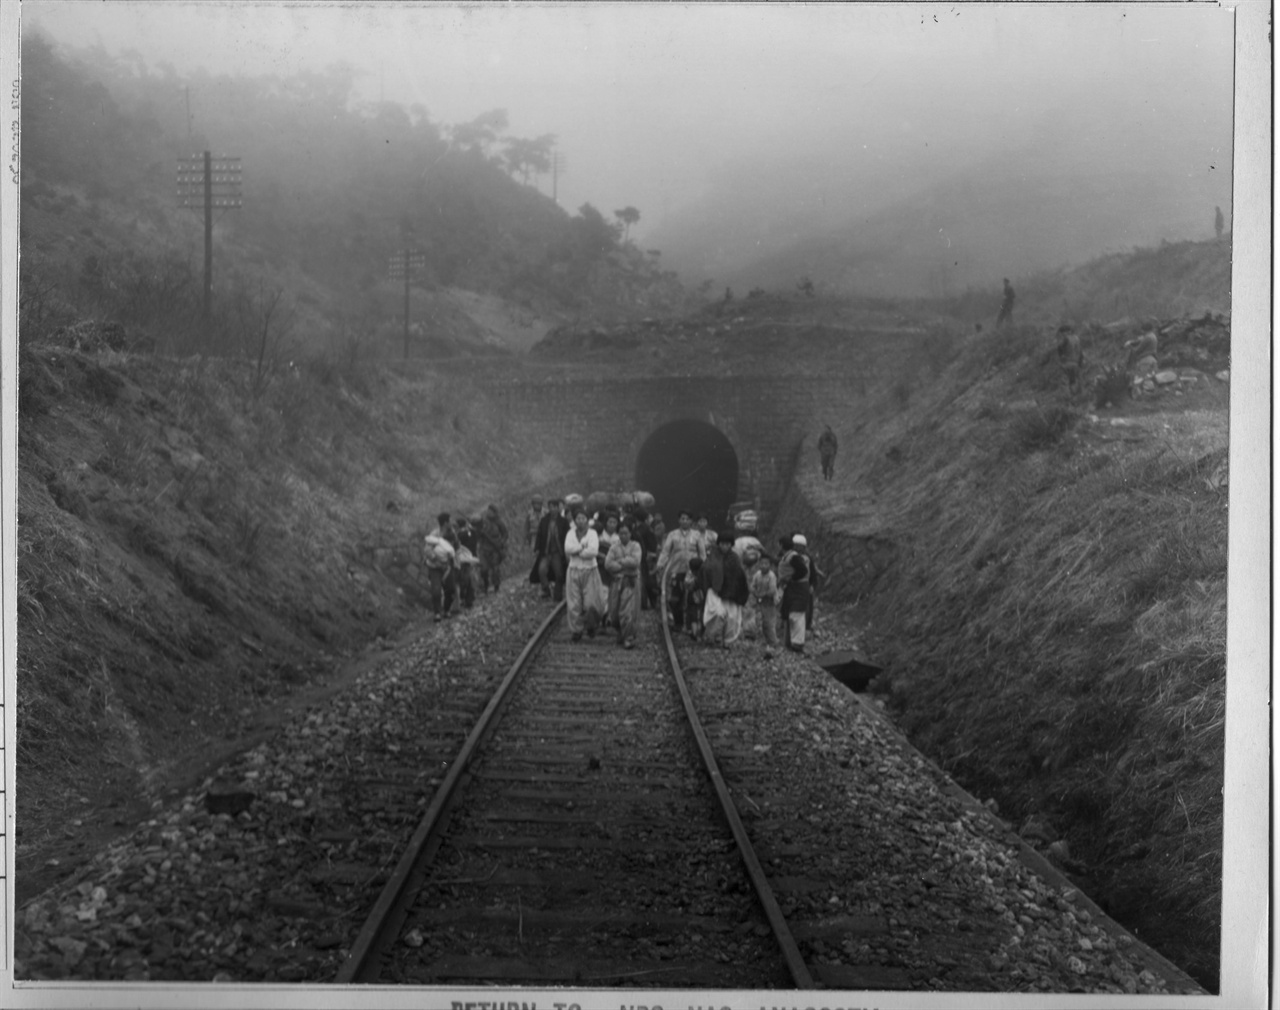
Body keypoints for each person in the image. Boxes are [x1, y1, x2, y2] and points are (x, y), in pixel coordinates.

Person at [656, 509, 706, 631]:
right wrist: (660, 565)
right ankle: (678, 623)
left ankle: (690, 625)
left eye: (687, 519)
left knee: (691, 598)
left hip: (692, 572)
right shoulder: (672, 535)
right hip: (676, 570)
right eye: (682, 518)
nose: (684, 521)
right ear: (679, 520)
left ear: (691, 521)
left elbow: (702, 553)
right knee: (675, 598)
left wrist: (703, 568)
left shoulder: (697, 535)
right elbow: (666, 551)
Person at [702, 531, 751, 648]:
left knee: (732, 617)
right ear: (719, 544)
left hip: (731, 594)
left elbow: (740, 576)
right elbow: (705, 572)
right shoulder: (712, 557)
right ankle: (712, 637)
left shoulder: (734, 558)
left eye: (728, 544)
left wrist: (740, 592)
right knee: (717, 614)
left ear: (731, 545)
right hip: (715, 591)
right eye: (723, 544)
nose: (725, 547)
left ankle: (728, 641)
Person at [564, 507, 605, 642]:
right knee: (574, 603)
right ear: (574, 520)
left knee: (590, 603)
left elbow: (593, 551)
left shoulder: (592, 533)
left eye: (583, 518)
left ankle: (591, 625)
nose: (580, 521)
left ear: (587, 519)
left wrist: (577, 552)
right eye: (578, 518)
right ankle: (576, 630)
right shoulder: (570, 533)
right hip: (574, 569)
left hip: (590, 570)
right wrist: (582, 548)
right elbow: (567, 548)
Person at [605, 520, 643, 649]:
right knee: (614, 611)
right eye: (621, 533)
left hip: (630, 582)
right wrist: (624, 565)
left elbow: (635, 562)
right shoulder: (614, 547)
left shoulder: (636, 546)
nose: (623, 536)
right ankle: (620, 631)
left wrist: (619, 562)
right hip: (616, 582)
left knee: (628, 611)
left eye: (626, 533)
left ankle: (629, 637)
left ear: (630, 534)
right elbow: (608, 564)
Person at [778, 533, 813, 653]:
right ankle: (790, 641)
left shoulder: (795, 557)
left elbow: (803, 571)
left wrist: (791, 578)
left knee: (796, 614)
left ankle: (797, 643)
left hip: (799, 588)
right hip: (791, 588)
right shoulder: (788, 556)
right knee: (789, 614)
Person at [530, 498, 570, 601]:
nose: (552, 509)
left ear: (558, 508)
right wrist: (537, 548)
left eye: (554, 507)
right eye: (550, 507)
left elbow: (568, 536)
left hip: (558, 552)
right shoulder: (544, 521)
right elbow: (539, 535)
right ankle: (546, 589)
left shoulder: (563, 522)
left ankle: (558, 595)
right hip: (546, 552)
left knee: (559, 574)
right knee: (541, 570)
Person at [423, 512, 459, 622]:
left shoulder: (452, 532)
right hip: (434, 567)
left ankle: (446, 610)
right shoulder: (434, 535)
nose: (451, 523)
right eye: (449, 521)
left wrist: (455, 541)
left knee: (451, 589)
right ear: (445, 523)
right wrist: (436, 559)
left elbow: (456, 547)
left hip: (448, 566)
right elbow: (427, 550)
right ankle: (437, 612)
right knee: (436, 591)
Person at [476, 503, 509, 594]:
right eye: (488, 511)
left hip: (495, 549)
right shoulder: (483, 522)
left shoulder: (499, 522)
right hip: (484, 549)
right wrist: (480, 533)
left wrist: (501, 543)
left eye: (491, 511)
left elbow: (505, 534)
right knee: (484, 569)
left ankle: (496, 586)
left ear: (495, 513)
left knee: (495, 569)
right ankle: (485, 586)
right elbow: (477, 535)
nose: (489, 513)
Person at [596, 512, 621, 626]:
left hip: (616, 569)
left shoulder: (620, 537)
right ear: (605, 523)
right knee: (604, 593)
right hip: (602, 569)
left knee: (614, 594)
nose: (612, 525)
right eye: (610, 522)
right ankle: (603, 616)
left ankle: (611, 616)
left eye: (614, 522)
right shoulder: (599, 537)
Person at [751, 554, 780, 647]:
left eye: (766, 564)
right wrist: (755, 593)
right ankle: (764, 640)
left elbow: (772, 590)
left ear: (770, 565)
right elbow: (752, 586)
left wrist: (762, 595)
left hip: (770, 602)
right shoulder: (757, 575)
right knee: (760, 622)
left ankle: (773, 642)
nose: (764, 566)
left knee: (769, 623)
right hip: (759, 601)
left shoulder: (771, 576)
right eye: (762, 563)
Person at [455, 516, 480, 609]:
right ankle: (470, 598)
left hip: (463, 559)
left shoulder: (459, 535)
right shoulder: (472, 532)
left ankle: (465, 599)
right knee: (472, 578)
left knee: (464, 580)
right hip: (472, 557)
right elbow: (476, 541)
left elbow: (457, 546)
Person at [681, 558, 706, 639]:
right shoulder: (702, 575)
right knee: (697, 614)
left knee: (692, 613)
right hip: (699, 596)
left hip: (691, 596)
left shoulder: (690, 574)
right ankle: (696, 632)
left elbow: (686, 584)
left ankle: (693, 631)